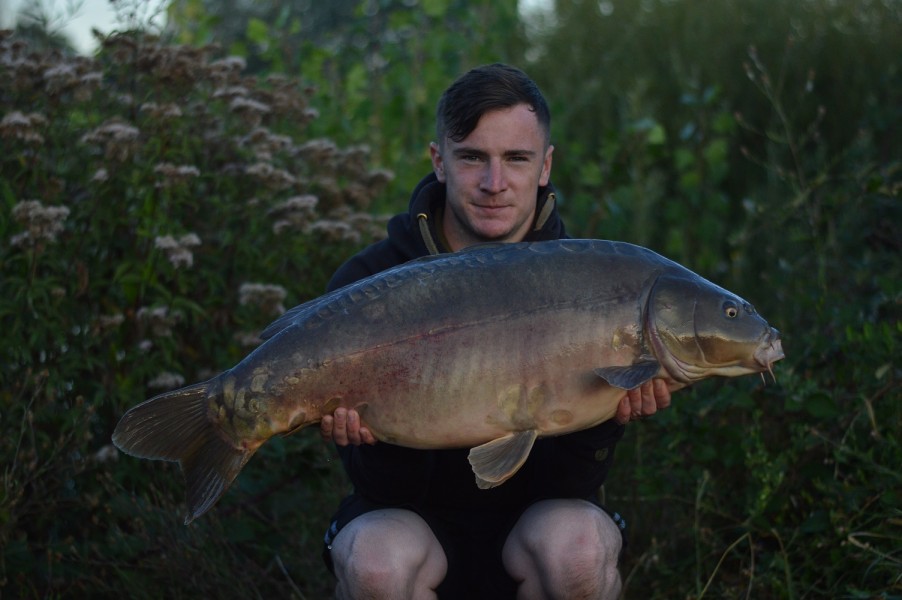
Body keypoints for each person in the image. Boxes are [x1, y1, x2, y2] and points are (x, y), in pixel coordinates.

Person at [319, 63, 673, 600]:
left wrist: (606, 418)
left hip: (533, 523)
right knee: (375, 564)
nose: (494, 183)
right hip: (412, 521)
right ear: (439, 161)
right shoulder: (370, 283)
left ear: (546, 166)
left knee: (577, 549)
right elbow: (381, 491)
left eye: (516, 159)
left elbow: (569, 488)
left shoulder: (593, 284)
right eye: (472, 158)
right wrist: (372, 434)